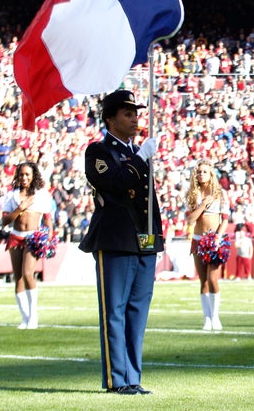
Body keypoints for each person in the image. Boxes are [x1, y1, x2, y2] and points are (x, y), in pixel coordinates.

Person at [79, 90, 164, 395]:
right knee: (114, 311)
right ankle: (118, 378)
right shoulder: (99, 152)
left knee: (137, 313)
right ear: (110, 120)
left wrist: (157, 239)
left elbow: (147, 201)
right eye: (127, 114)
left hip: (144, 239)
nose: (135, 119)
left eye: (136, 114)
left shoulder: (138, 152)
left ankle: (133, 377)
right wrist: (141, 159)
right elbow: (116, 183)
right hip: (116, 238)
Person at [2, 162, 53, 329]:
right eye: (21, 174)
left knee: (28, 273)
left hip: (33, 237)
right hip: (16, 237)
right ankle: (24, 318)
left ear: (33, 176)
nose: (24, 178)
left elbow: (47, 219)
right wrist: (20, 208)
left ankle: (33, 316)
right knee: (18, 278)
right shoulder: (12, 195)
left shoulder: (41, 195)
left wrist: (49, 235)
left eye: (27, 174)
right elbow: (5, 221)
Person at [185, 160, 230, 331]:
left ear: (211, 174)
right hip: (198, 239)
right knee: (203, 281)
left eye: (204, 171)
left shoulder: (221, 194)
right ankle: (207, 318)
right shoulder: (192, 194)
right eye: (199, 172)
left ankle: (215, 316)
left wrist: (218, 237)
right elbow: (190, 220)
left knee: (212, 278)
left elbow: (225, 219)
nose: (201, 174)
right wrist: (203, 205)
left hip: (215, 240)